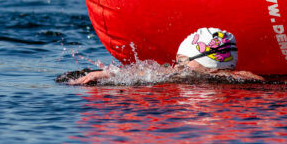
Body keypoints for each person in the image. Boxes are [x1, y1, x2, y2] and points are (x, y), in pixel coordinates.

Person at [67, 27, 264, 85]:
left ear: (208, 59)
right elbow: (146, 72)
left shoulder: (233, 79)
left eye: (182, 61)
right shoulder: (239, 79)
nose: (176, 66)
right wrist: (109, 74)